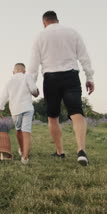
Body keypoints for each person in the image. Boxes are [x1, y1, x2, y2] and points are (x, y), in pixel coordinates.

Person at [28, 11, 95, 166]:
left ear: (44, 22)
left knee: (53, 117)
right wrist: (89, 77)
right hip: (71, 76)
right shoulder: (72, 32)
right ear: (57, 20)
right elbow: (84, 57)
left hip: (51, 79)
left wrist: (32, 86)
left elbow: (33, 64)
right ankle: (81, 150)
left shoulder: (40, 36)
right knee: (77, 113)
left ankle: (60, 152)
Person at [0, 63, 39, 165]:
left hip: (16, 110)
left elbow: (3, 96)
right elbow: (34, 90)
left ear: (13, 72)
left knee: (18, 130)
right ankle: (25, 157)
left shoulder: (9, 81)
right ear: (24, 71)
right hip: (27, 108)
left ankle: (22, 150)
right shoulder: (27, 76)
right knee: (26, 131)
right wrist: (36, 92)